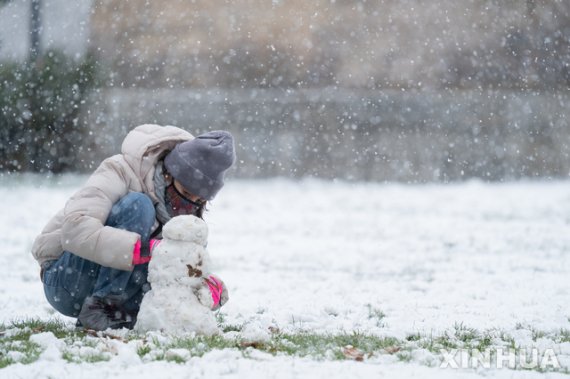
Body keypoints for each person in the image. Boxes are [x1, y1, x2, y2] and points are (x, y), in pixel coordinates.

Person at [31, 124, 236, 330]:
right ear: (169, 173)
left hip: (127, 291)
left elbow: (182, 272)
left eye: (198, 200)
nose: (188, 203)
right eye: (186, 192)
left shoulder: (190, 214)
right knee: (139, 205)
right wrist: (144, 250)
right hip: (67, 281)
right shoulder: (120, 170)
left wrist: (208, 288)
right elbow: (75, 231)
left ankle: (116, 315)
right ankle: (102, 307)